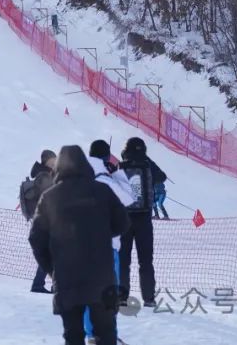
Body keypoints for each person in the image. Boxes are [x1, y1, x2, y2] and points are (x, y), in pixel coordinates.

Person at [29, 146, 130, 345]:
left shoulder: (50, 197)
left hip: (67, 276)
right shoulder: (102, 191)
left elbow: (36, 239)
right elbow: (123, 223)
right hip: (101, 275)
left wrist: (52, 269)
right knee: (106, 332)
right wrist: (101, 235)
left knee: (72, 335)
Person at [85, 140, 135, 342]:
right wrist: (117, 173)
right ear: (106, 157)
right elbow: (129, 198)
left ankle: (91, 334)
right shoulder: (106, 180)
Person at [118, 137, 167, 307]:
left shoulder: (121, 166)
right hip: (144, 219)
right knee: (145, 261)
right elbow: (162, 177)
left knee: (123, 260)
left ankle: (121, 297)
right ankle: (149, 298)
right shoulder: (148, 165)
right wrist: (147, 160)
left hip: (124, 218)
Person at [25, 149, 57, 293]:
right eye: (52, 160)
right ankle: (41, 284)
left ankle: (41, 284)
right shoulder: (44, 175)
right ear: (46, 161)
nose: (55, 162)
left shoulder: (46, 174)